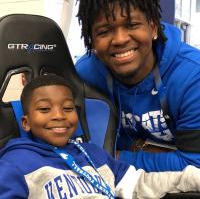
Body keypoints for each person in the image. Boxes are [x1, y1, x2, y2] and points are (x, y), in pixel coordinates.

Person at [0, 74, 199, 199]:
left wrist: (189, 177)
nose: (59, 115)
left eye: (68, 108)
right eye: (44, 109)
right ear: (25, 122)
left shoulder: (93, 153)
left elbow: (140, 184)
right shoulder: (14, 164)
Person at [75, 0, 200, 171]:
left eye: (132, 25)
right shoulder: (84, 76)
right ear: (92, 40)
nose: (120, 39)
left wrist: (116, 157)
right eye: (104, 31)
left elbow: (195, 163)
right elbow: (78, 151)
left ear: (153, 27)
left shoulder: (192, 75)